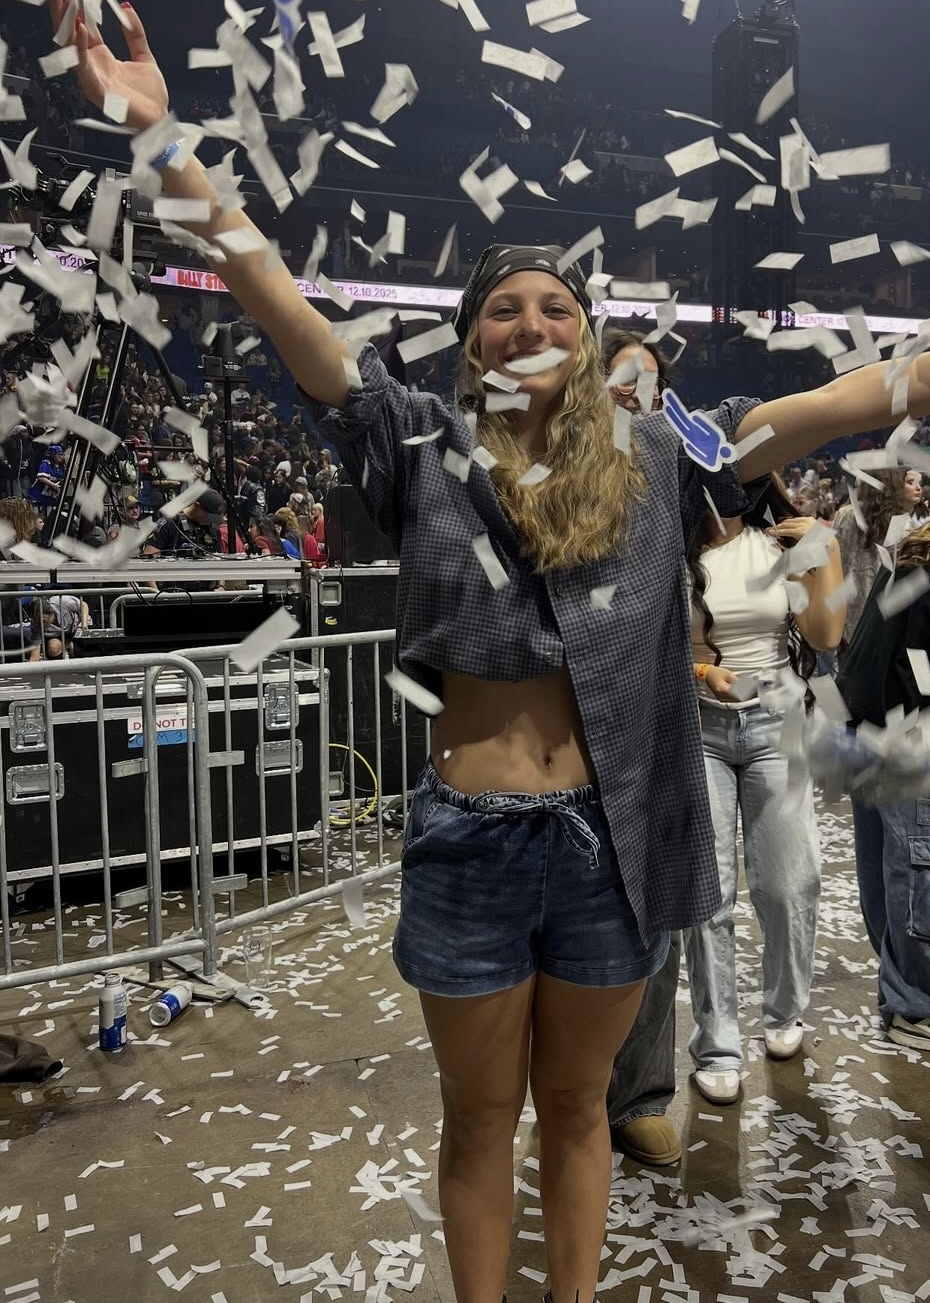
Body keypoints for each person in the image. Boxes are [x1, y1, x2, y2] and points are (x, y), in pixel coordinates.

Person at [55, 11, 930, 1299]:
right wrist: (159, 134)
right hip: (471, 839)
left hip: (611, 843)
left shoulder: (654, 458)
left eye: (557, 306)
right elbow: (271, 290)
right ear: (472, 342)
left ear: (590, 336)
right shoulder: (419, 444)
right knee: (477, 1122)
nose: (531, 323)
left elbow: (838, 404)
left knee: (578, 1111)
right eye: (504, 311)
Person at [685, 481, 845, 1103]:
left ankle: (784, 1010)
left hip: (778, 721)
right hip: (696, 727)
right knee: (709, 893)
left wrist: (824, 546)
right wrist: (703, 669)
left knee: (788, 881)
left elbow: (826, 635)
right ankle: (717, 1043)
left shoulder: (778, 542)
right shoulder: (671, 544)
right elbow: (647, 647)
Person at [602, 329, 681, 1168]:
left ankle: (642, 1093)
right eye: (621, 374)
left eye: (649, 380)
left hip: (655, 737)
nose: (634, 389)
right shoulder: (547, 467)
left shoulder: (677, 474)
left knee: (656, 923)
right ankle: (569, 1092)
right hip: (567, 745)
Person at [836, 522, 930, 1052]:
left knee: (887, 868)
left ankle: (901, 991)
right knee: (914, 869)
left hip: (867, 725)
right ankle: (911, 1002)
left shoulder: (911, 548)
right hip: (906, 736)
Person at [833, 468, 923, 643]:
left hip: (846, 616)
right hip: (881, 623)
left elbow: (832, 559)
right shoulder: (903, 525)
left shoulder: (845, 514)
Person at [29, 444, 65, 517]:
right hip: (38, 497)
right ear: (52, 455)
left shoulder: (62, 467)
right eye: (58, 454)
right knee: (36, 518)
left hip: (50, 499)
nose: (60, 456)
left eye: (61, 454)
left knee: (47, 518)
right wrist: (53, 485)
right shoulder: (46, 464)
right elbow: (41, 477)